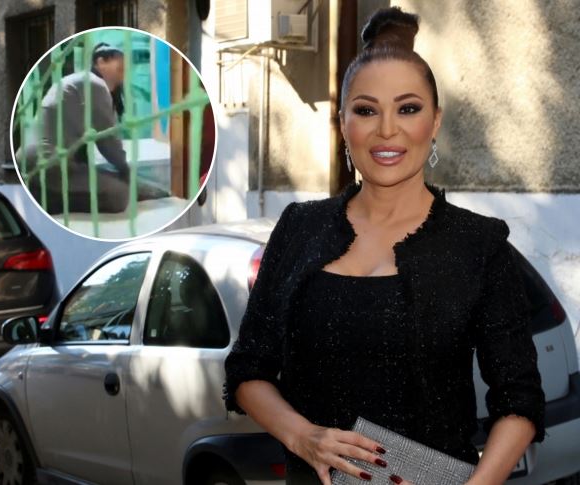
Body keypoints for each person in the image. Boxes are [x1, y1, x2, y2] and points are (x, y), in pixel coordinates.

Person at [222, 6, 546, 485]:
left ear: (434, 122)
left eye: (408, 108)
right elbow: (248, 369)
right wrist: (304, 436)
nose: (387, 130)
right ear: (343, 123)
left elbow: (519, 400)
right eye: (366, 110)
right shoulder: (299, 228)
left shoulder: (479, 244)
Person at [17, 41, 170, 215]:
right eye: (117, 60)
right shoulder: (94, 83)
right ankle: (46, 199)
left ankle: (45, 192)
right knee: (120, 194)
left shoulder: (78, 81)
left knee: (107, 177)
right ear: (100, 62)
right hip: (48, 162)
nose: (124, 66)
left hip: (33, 160)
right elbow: (108, 143)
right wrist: (126, 171)